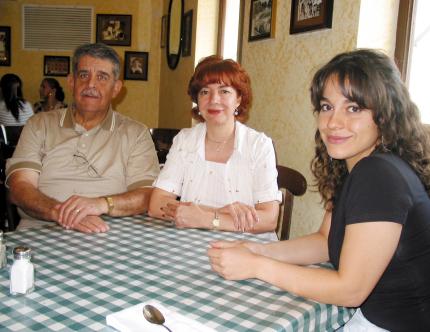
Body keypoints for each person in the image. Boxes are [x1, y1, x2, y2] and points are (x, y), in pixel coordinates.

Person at [208, 49, 430, 331]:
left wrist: (256, 266)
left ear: (385, 115)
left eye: (353, 108)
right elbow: (325, 241)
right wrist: (257, 250)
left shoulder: (378, 175)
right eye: (327, 107)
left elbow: (350, 290)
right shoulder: (355, 166)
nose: (333, 122)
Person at [6, 43, 159, 233]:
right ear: (71, 82)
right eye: (84, 75)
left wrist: (102, 204)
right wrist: (61, 212)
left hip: (110, 233)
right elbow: (19, 187)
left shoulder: (136, 133)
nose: (91, 85)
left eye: (102, 77)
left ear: (116, 88)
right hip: (42, 230)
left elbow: (148, 194)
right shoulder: (39, 125)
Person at [149, 55, 281, 238]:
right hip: (190, 242)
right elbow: (157, 205)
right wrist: (221, 212)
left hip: (248, 247)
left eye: (224, 91)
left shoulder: (259, 145)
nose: (213, 99)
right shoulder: (185, 140)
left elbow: (269, 219)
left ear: (239, 99)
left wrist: (206, 218)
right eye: (205, 91)